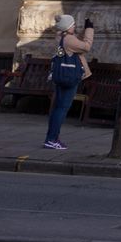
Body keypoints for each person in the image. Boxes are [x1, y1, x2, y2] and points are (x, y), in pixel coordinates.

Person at [43, 14, 93, 150]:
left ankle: (51, 138)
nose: (75, 26)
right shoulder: (69, 40)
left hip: (60, 76)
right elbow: (86, 46)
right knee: (62, 109)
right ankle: (52, 139)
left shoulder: (61, 37)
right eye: (73, 25)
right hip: (69, 78)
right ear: (68, 27)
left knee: (57, 108)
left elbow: (78, 44)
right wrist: (90, 29)